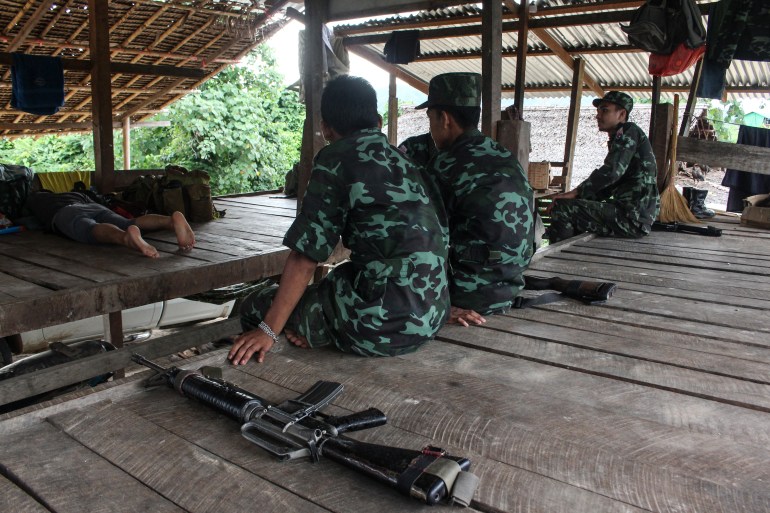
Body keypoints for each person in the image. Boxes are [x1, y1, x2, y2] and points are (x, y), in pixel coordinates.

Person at [228, 75, 450, 366]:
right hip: (433, 313)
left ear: (325, 127)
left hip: (382, 326)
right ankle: (319, 327)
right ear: (379, 121)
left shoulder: (335, 159)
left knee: (254, 304)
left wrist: (268, 330)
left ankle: (314, 334)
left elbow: (306, 256)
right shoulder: (405, 160)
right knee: (338, 278)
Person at [417, 72, 535, 328]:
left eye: (431, 119)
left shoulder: (444, 165)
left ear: (445, 119)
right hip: (509, 289)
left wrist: (436, 306)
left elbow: (422, 241)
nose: (431, 128)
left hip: (467, 298)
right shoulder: (504, 155)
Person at [546, 91, 659, 244]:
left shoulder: (628, 131)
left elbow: (611, 173)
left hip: (631, 218)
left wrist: (576, 192)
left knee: (563, 209)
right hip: (634, 217)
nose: (598, 116)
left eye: (605, 110)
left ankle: (557, 260)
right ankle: (573, 255)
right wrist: (578, 197)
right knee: (568, 206)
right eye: (598, 111)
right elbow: (610, 184)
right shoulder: (622, 138)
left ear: (621, 114)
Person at [24, 190, 195, 258]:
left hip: (65, 213)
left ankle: (125, 238)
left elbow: (26, 219)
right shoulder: (75, 193)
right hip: (93, 205)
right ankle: (170, 221)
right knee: (128, 221)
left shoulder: (37, 199)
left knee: (90, 229)